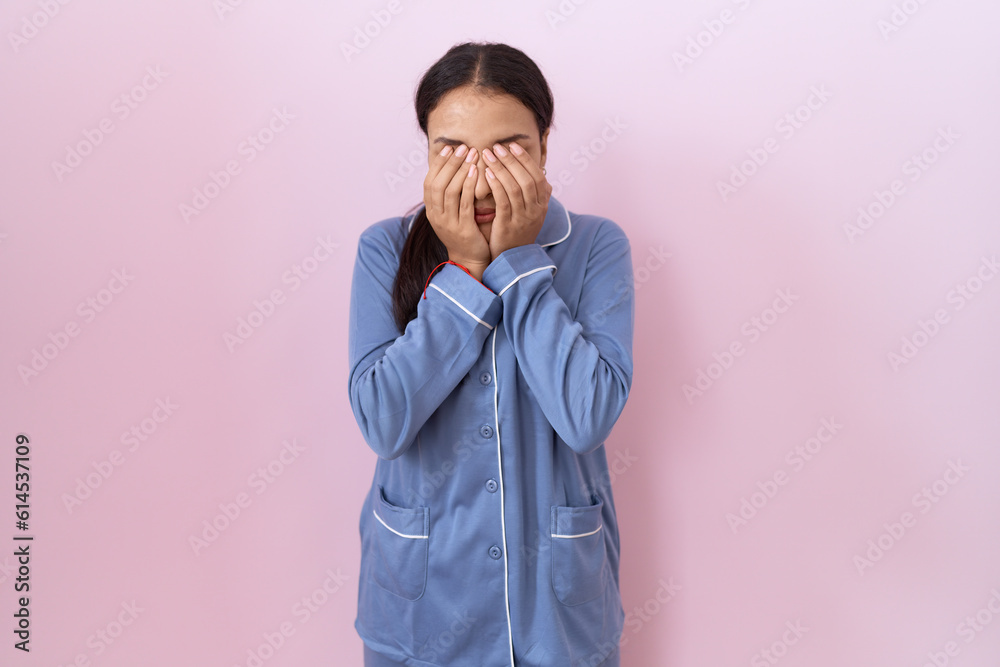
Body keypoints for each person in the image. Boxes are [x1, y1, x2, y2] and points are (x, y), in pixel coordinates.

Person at [347, 41, 635, 667]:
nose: (480, 178)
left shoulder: (596, 246)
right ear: (424, 149)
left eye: (509, 149)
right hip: (422, 602)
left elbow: (586, 416)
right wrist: (465, 267)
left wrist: (520, 264)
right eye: (452, 150)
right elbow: (383, 421)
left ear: (544, 147)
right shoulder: (383, 249)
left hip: (555, 611)